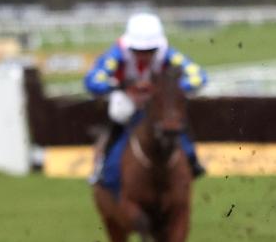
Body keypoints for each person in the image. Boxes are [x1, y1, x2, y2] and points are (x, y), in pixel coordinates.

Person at [83, 12, 207, 184]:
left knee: (174, 116)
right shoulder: (116, 54)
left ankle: (192, 159)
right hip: (128, 102)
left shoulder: (168, 53)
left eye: (150, 50)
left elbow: (199, 76)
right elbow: (92, 80)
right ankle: (102, 165)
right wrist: (122, 86)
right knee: (119, 111)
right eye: (138, 50)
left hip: (158, 103)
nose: (144, 55)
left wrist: (167, 89)